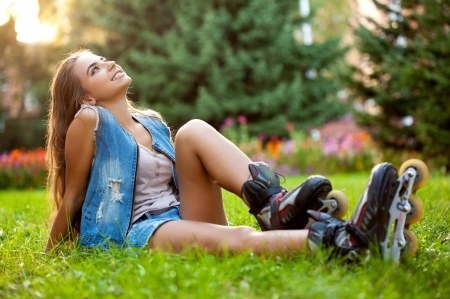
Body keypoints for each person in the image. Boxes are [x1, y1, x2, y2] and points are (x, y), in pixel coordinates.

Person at [45, 49, 397, 261]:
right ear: (86, 98)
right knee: (241, 238)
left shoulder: (151, 123)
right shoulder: (89, 120)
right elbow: (74, 196)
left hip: (181, 214)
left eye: (103, 60)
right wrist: (49, 258)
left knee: (193, 130)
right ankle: (348, 241)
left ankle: (273, 204)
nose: (108, 65)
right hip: (139, 231)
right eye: (95, 70)